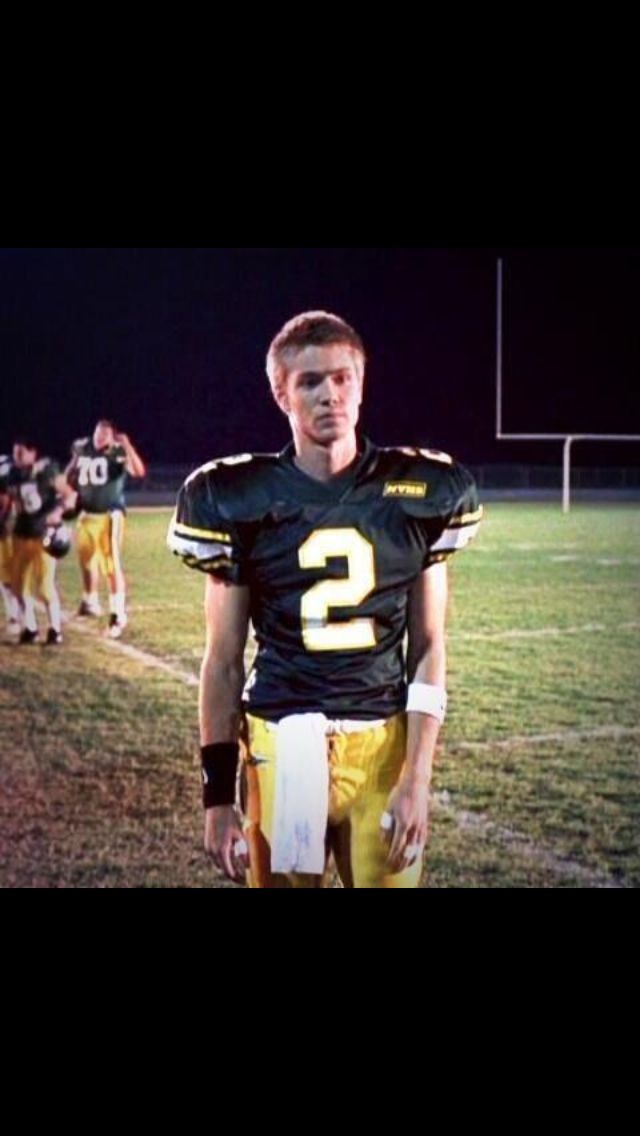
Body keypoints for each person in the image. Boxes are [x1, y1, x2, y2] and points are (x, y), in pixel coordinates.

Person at [168, 311, 482, 888]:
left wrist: (418, 777)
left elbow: (429, 645)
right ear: (280, 392)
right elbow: (223, 660)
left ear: (361, 385)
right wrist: (217, 798)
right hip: (283, 740)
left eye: (342, 378)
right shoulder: (239, 497)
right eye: (310, 381)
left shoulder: (418, 492)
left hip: (382, 745)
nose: (329, 394)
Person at [66, 420, 146, 638]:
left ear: (112, 437)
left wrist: (128, 446)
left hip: (110, 514)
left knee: (111, 564)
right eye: (97, 433)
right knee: (86, 560)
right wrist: (67, 489)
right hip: (86, 514)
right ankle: (90, 602)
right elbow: (71, 472)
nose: (99, 438)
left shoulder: (117, 452)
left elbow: (138, 471)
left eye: (104, 435)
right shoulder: (83, 448)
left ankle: (118, 613)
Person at [8, 439, 75, 645]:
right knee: (19, 586)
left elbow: (70, 495)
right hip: (21, 534)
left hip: (42, 536)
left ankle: (55, 629)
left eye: (21, 453)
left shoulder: (47, 471)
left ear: (32, 453)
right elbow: (14, 501)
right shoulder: (13, 474)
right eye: (15, 453)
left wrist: (57, 512)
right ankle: (30, 628)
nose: (17, 458)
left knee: (45, 586)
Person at [0, 452, 21, 636]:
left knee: (9, 576)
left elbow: (6, 501)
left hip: (7, 530)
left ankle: (15, 616)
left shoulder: (5, 466)